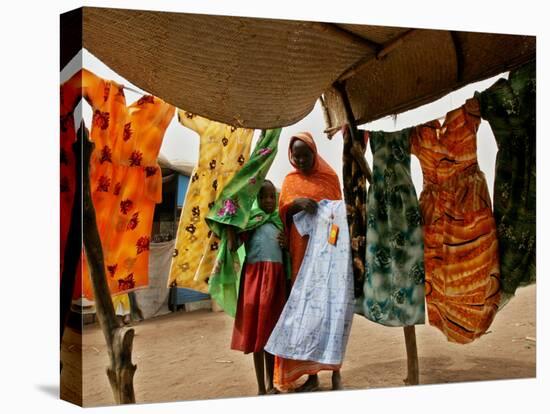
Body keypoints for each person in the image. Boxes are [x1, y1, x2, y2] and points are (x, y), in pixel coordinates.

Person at [268, 132, 346, 392]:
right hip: (300, 257)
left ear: (314, 153)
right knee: (305, 317)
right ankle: (311, 376)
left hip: (326, 258)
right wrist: (295, 204)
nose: (300, 160)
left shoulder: (330, 178)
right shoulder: (290, 182)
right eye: (296, 156)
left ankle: (335, 372)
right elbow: (282, 217)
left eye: (305, 155)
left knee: (330, 314)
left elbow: (339, 218)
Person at [228, 180, 288, 395]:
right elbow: (234, 245)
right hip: (255, 281)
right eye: (263, 197)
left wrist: (286, 243)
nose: (268, 201)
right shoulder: (250, 222)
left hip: (276, 282)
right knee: (257, 335)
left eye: (272, 196)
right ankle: (261, 388)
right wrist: (229, 224)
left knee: (270, 334)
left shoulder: (279, 223)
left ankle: (271, 385)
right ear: (256, 199)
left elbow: (288, 250)